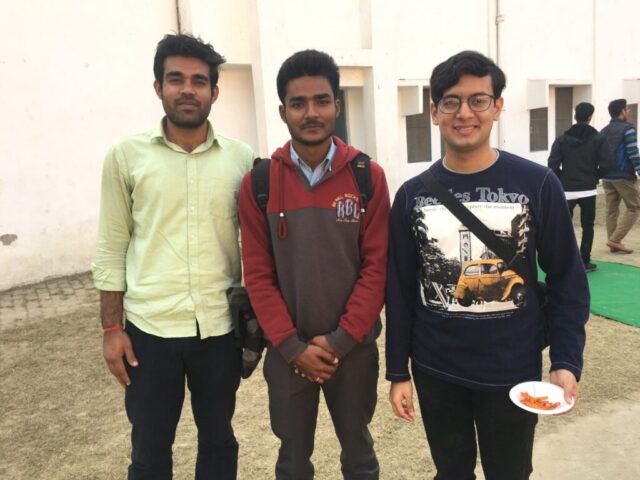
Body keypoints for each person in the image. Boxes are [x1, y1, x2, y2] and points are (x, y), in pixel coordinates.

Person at [385, 50, 589, 480]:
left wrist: (566, 360)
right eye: (451, 101)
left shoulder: (537, 184)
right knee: (451, 473)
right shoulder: (410, 196)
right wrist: (398, 371)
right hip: (436, 368)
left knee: (510, 473)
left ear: (497, 106)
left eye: (478, 100)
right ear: (434, 111)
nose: (464, 113)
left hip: (512, 367)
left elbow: (567, 279)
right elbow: (400, 288)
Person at [91, 33, 254, 480]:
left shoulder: (241, 160)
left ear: (214, 92)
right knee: (149, 452)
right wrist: (111, 329)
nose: (187, 89)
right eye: (176, 79)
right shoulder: (126, 155)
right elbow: (111, 246)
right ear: (158, 86)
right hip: (149, 331)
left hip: (218, 330)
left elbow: (259, 247)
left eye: (199, 81)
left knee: (219, 442)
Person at [238, 49, 390, 480]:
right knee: (292, 461)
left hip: (353, 351)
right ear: (282, 111)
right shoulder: (259, 183)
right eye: (298, 103)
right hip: (287, 353)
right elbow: (258, 276)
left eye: (321, 101)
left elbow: (376, 268)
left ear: (337, 106)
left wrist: (340, 341)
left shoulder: (367, 177)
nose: (311, 113)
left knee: (360, 456)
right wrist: (292, 348)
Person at [548, 102, 608, 272]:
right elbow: (608, 164)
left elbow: (552, 165)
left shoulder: (561, 139)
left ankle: (563, 260)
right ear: (590, 117)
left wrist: (563, 179)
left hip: (567, 190)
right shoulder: (598, 139)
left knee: (564, 226)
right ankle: (585, 261)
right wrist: (595, 176)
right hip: (588, 189)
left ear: (575, 116)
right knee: (587, 226)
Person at [599, 98, 640, 254]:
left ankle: (613, 244)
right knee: (635, 207)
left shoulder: (603, 130)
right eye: (627, 109)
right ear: (622, 111)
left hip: (607, 176)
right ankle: (615, 240)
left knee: (611, 210)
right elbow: (633, 152)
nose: (628, 111)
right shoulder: (628, 129)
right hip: (623, 176)